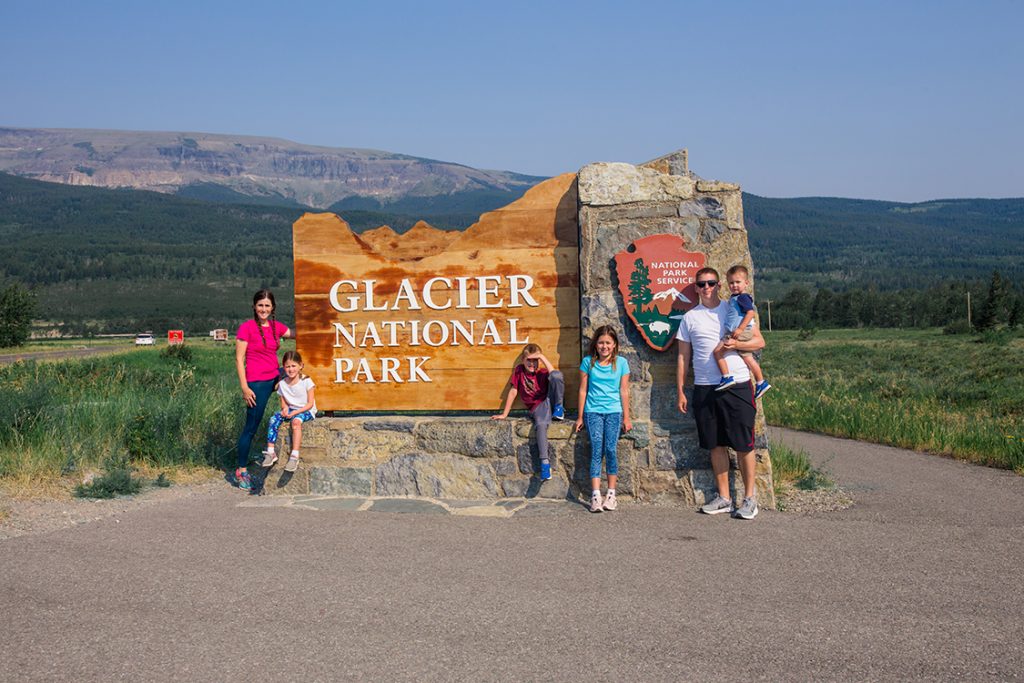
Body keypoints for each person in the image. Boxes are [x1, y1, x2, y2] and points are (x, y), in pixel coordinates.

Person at [677, 268, 765, 520]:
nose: (706, 288)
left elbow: (759, 342)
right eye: (701, 284)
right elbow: (683, 357)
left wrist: (735, 344)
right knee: (715, 444)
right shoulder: (689, 318)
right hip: (705, 387)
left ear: (719, 286)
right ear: (696, 288)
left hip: (736, 383)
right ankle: (724, 498)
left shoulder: (734, 308)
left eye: (711, 283)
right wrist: (680, 390)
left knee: (743, 443)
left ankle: (750, 499)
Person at [234, 289, 293, 490]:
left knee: (298, 373)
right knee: (251, 426)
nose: (264, 309)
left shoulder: (276, 327)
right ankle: (241, 470)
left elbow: (297, 334)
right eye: (260, 305)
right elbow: (239, 359)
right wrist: (244, 387)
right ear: (254, 306)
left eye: (267, 305)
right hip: (256, 383)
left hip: (274, 376)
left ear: (273, 307)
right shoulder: (247, 328)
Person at [575, 325, 632, 513]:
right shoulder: (587, 363)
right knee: (597, 448)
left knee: (611, 449)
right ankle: (596, 495)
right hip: (593, 411)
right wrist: (580, 416)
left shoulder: (622, 363)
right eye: (601, 342)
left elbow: (624, 390)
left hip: (614, 412)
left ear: (614, 344)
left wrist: (627, 417)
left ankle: (611, 494)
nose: (604, 346)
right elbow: (583, 390)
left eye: (608, 342)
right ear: (595, 344)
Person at [491, 344, 565, 481]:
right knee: (541, 425)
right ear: (523, 360)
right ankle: (544, 463)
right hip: (539, 406)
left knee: (556, 375)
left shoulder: (543, 372)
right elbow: (513, 391)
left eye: (535, 360)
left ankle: (559, 408)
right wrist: (505, 414)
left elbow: (555, 375)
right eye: (529, 360)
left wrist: (542, 357)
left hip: (550, 399)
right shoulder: (519, 371)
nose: (532, 363)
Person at [712, 265, 771, 399]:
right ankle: (761, 382)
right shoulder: (735, 297)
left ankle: (727, 377)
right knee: (748, 358)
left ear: (746, 283)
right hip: (739, 331)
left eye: (738, 282)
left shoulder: (742, 298)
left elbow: (750, 313)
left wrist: (740, 329)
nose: (734, 285)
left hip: (739, 332)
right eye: (731, 283)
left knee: (717, 352)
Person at [261, 350, 316, 473]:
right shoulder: (282, 384)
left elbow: (310, 404)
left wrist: (295, 413)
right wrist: (285, 411)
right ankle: (271, 452)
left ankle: (294, 456)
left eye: (293, 366)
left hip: (305, 409)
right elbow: (284, 404)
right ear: (284, 367)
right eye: (287, 366)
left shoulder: (307, 381)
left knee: (296, 422)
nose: (291, 369)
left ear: (300, 366)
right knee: (273, 419)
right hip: (291, 409)